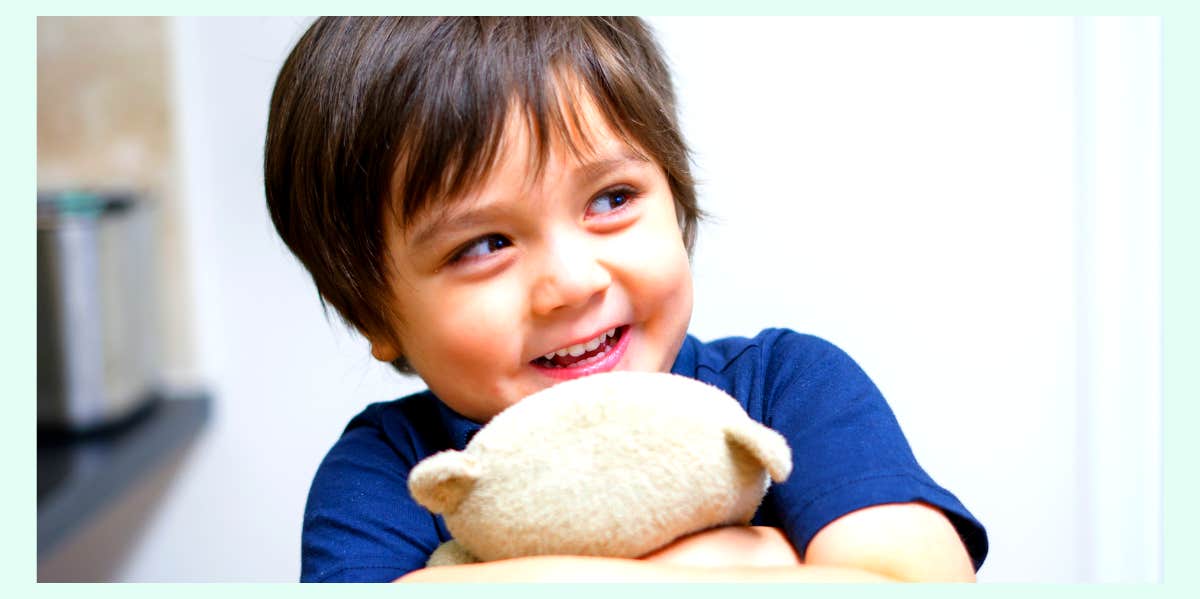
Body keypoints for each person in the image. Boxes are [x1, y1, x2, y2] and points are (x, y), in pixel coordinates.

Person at [264, 16, 988, 583]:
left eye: (611, 198)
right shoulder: (390, 470)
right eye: (483, 244)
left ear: (675, 198)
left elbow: (912, 579)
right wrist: (747, 563)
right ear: (373, 314)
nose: (574, 281)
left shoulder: (789, 387)